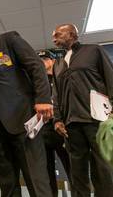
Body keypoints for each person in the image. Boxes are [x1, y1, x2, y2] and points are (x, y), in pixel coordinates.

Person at [0, 18, 53, 197]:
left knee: (35, 176)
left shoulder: (8, 40)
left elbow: (36, 66)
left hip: (22, 118)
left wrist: (43, 98)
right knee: (6, 179)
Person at [52, 23, 113, 197]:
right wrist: (57, 119)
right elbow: (56, 94)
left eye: (58, 34)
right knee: (77, 171)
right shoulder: (58, 64)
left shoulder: (93, 51)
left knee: (102, 168)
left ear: (72, 34)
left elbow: (110, 77)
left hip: (97, 119)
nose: (54, 38)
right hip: (71, 123)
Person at [37, 50, 71, 197]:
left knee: (71, 167)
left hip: (61, 127)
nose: (42, 62)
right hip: (44, 129)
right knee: (47, 170)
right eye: (40, 60)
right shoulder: (38, 83)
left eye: (45, 59)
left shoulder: (61, 78)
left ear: (51, 60)